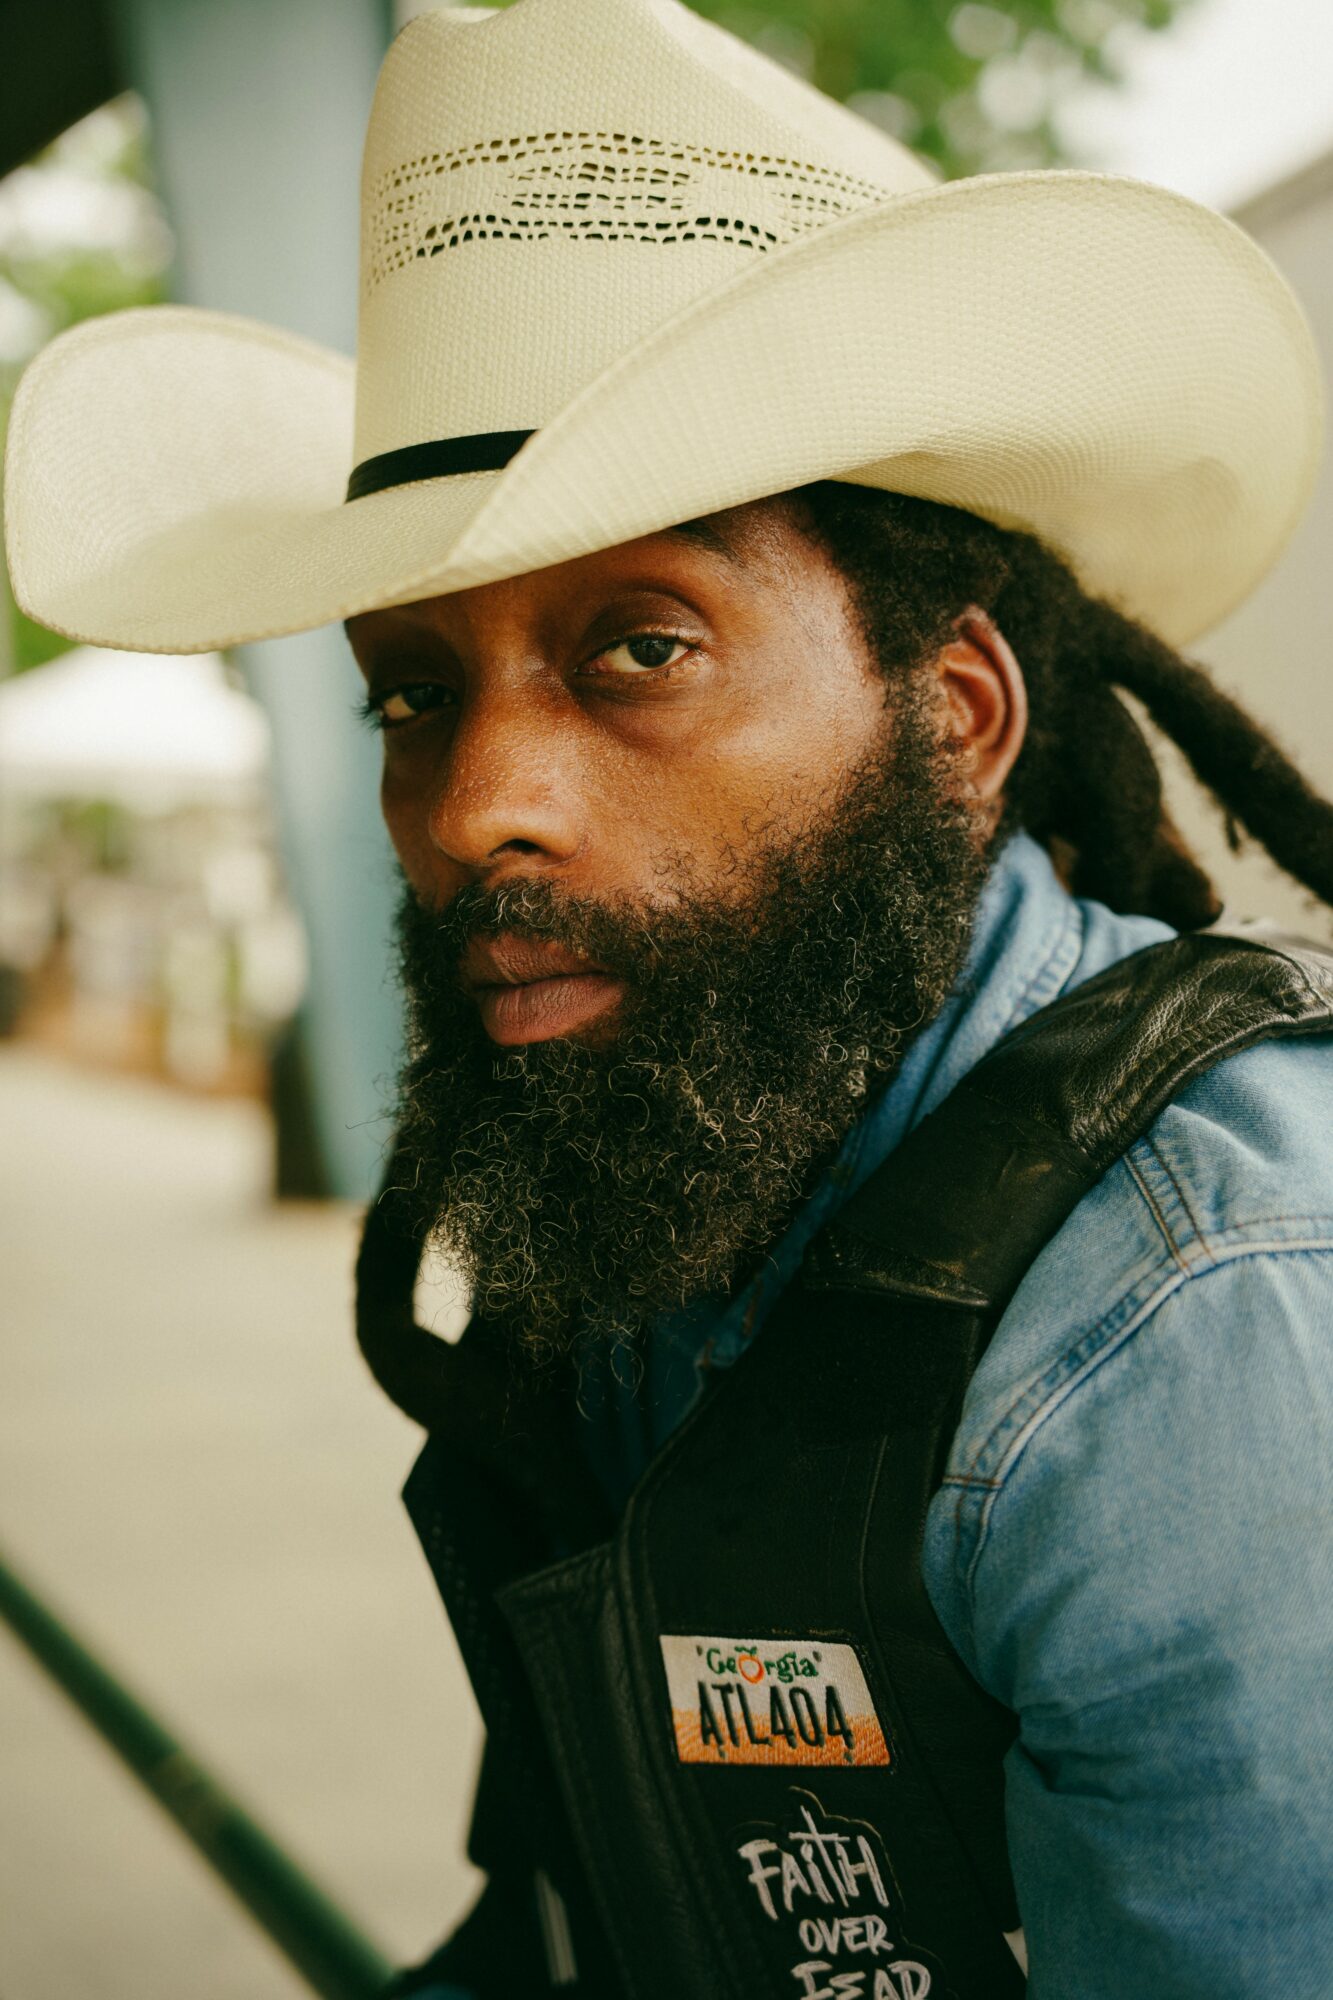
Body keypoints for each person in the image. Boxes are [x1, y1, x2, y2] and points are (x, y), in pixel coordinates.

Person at [6, 1, 1333, 1994]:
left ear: (957, 714)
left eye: (639, 645)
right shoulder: (704, 1127)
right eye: (412, 686)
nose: (472, 808)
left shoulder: (1188, 1337)